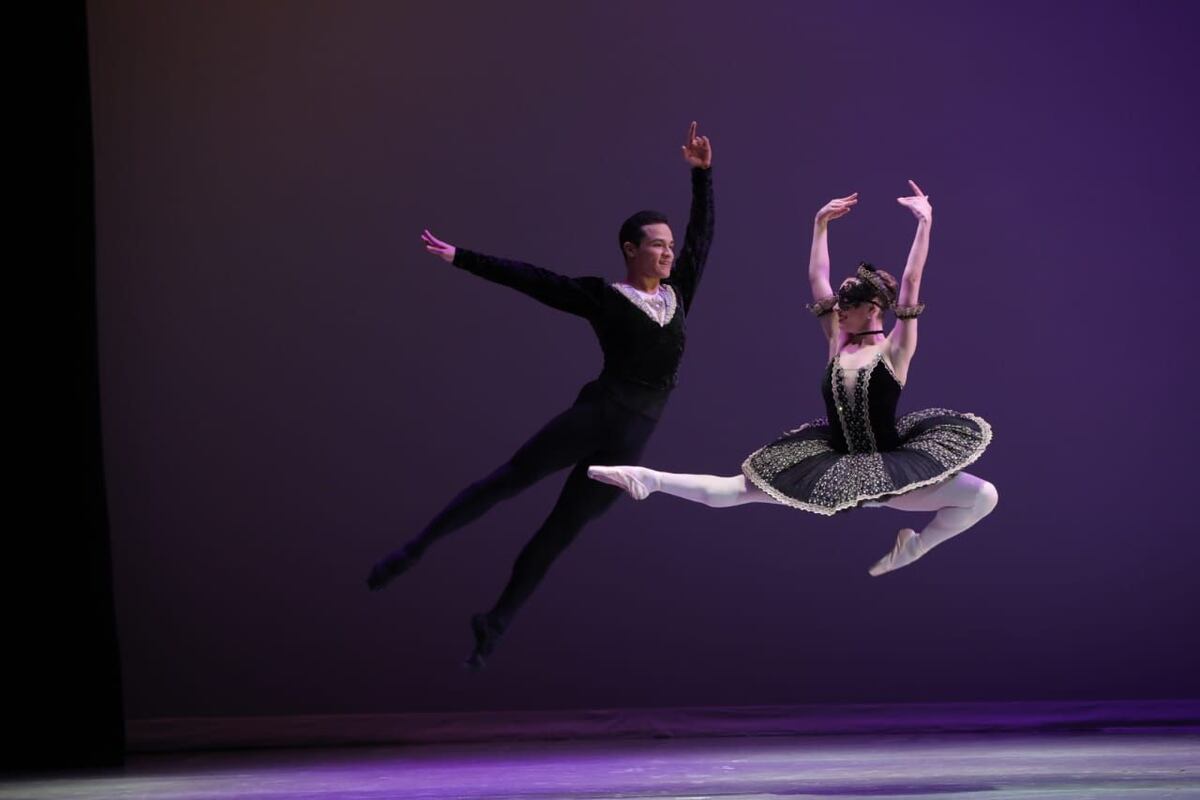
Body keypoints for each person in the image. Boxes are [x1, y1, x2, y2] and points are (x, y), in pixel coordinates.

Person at [368, 122, 715, 668]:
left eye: (671, 247)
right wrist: (462, 256)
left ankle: (495, 622)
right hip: (596, 415)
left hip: (631, 440)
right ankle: (414, 550)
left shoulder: (679, 294)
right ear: (630, 249)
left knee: (557, 534)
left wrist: (702, 177)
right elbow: (532, 279)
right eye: (657, 245)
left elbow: (702, 237)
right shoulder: (602, 297)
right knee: (506, 482)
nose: (670, 254)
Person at [589, 182, 997, 576]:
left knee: (983, 496)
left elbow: (909, 285)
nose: (836, 311)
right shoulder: (838, 342)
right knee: (737, 490)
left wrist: (925, 223)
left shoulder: (895, 349)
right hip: (835, 465)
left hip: (893, 474)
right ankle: (649, 479)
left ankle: (915, 547)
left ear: (873, 309)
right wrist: (820, 225)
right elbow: (818, 278)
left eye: (845, 307)